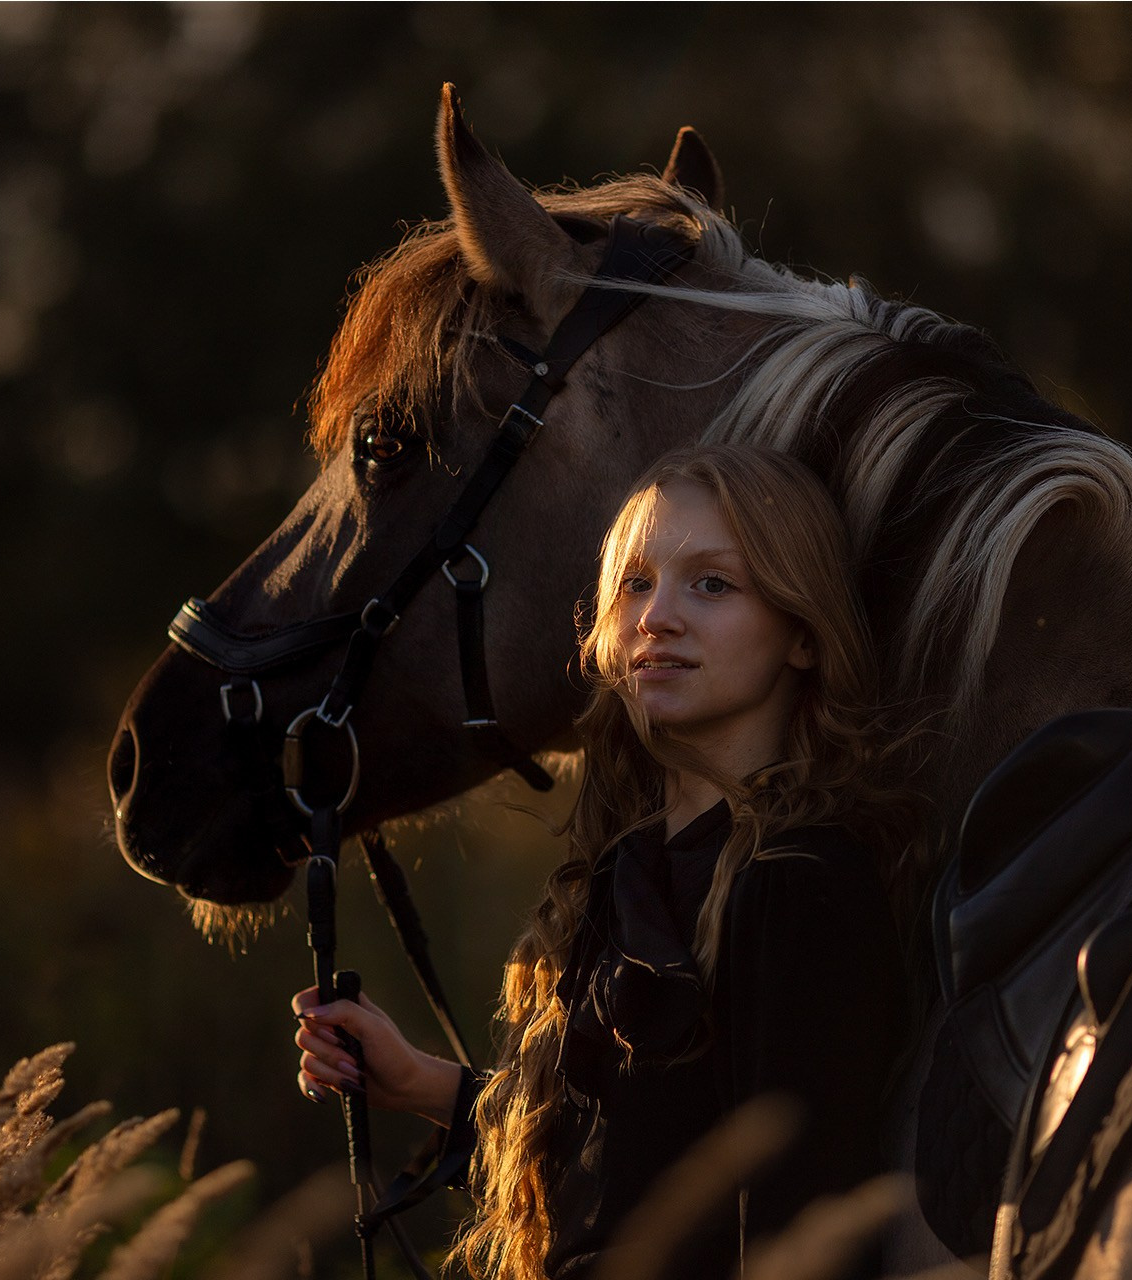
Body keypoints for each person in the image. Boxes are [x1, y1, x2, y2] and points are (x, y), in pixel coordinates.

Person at [292, 444, 924, 1279]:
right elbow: (615, 1154)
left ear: (803, 635)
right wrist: (418, 1081)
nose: (657, 616)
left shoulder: (800, 884)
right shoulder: (618, 874)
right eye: (635, 584)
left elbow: (801, 1239)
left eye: (712, 584)